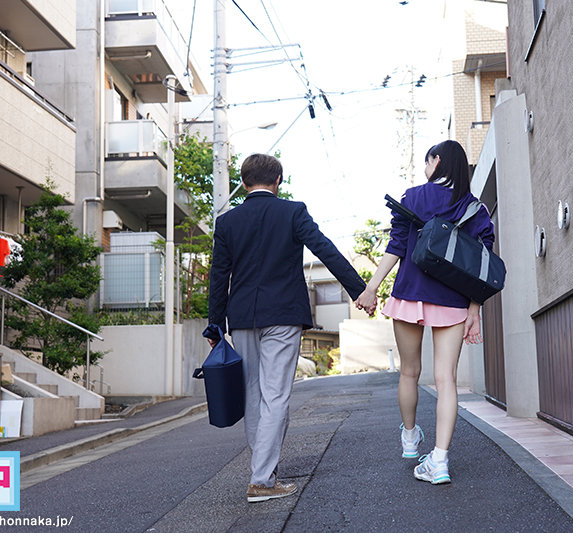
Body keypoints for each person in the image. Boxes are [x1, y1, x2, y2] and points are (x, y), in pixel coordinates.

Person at [204, 153, 367, 503]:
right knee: (275, 394)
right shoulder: (293, 212)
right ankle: (262, 480)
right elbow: (326, 250)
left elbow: (219, 275)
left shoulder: (227, 222)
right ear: (278, 180)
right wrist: (359, 290)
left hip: (242, 317)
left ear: (244, 182)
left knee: (253, 395)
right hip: (283, 314)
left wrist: (214, 325)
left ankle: (264, 472)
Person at [355, 140, 494, 485]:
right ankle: (440, 461)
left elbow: (397, 245)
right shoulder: (474, 207)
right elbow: (482, 263)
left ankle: (409, 436)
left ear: (437, 161)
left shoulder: (413, 197)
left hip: (410, 294)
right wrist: (474, 309)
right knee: (447, 380)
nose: (425, 168)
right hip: (453, 300)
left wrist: (372, 287)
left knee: (409, 372)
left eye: (427, 161)